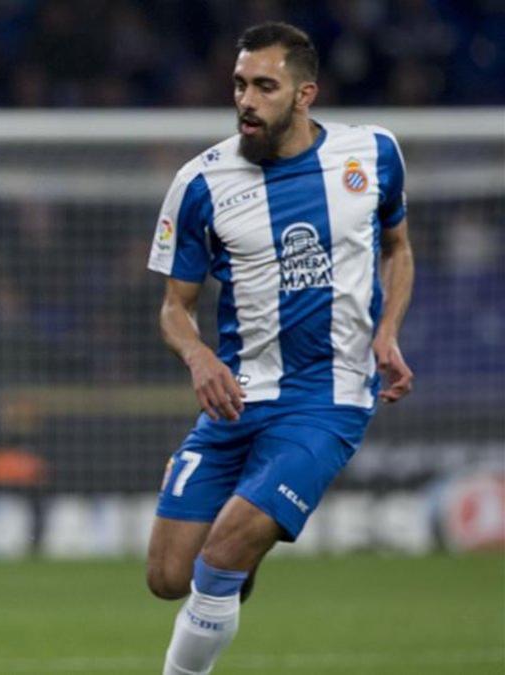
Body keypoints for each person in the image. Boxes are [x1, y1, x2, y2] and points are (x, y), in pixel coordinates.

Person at [145, 22, 414, 675]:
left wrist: (388, 330)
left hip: (328, 398)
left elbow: (397, 249)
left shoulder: (372, 155)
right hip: (236, 397)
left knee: (220, 556)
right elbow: (174, 308)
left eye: (265, 86)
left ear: (304, 94)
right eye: (239, 84)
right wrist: (199, 356)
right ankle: (239, 554)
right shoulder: (201, 182)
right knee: (167, 575)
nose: (246, 100)